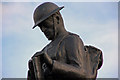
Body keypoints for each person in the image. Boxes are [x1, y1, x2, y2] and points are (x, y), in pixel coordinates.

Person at [27, 2, 103, 80]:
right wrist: (33, 73)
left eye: (45, 25)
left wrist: (51, 63)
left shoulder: (72, 40)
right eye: (40, 27)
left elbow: (82, 72)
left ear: (57, 18)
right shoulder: (44, 50)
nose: (43, 30)